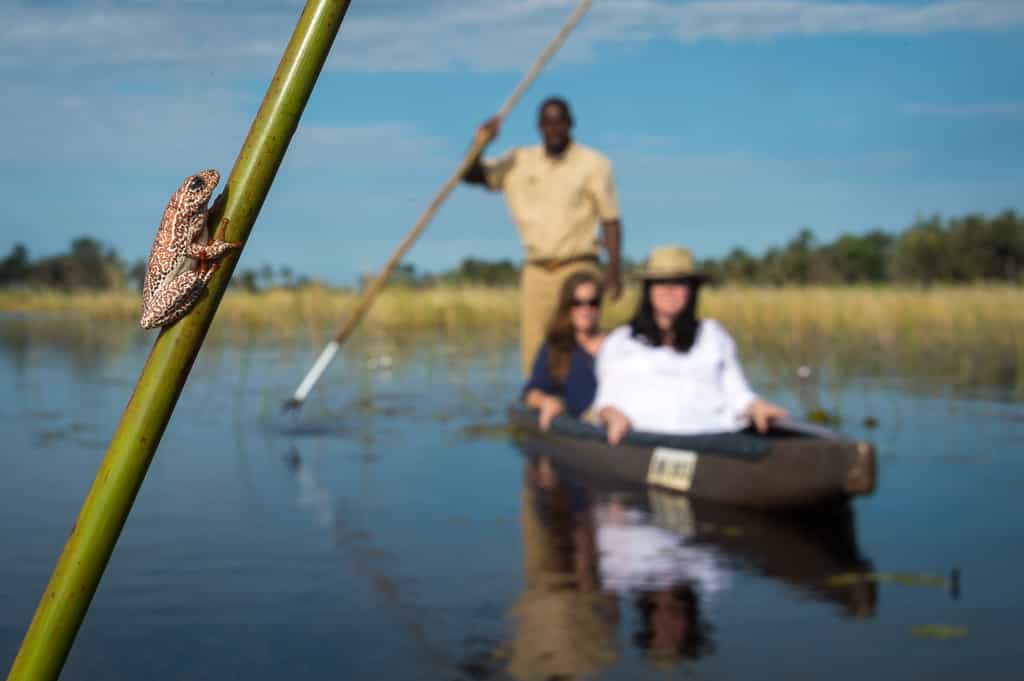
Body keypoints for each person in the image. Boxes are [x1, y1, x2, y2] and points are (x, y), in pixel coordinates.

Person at [463, 96, 624, 376]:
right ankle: (538, 403)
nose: (554, 129)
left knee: (579, 340)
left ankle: (584, 402)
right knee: (536, 347)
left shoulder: (594, 163)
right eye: (547, 123)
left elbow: (610, 219)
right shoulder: (518, 160)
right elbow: (471, 175)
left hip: (578, 266)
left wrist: (613, 270)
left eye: (560, 122)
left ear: (570, 124)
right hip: (537, 270)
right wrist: (481, 143)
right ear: (539, 126)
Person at [593, 245, 788, 445]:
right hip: (645, 443)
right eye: (661, 282)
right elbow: (605, 402)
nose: (669, 290)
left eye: (678, 283)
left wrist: (755, 406)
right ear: (648, 290)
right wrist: (612, 415)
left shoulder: (713, 334)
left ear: (692, 290)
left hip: (712, 443)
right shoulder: (621, 341)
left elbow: (738, 394)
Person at [522, 271, 604, 430]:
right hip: (580, 430)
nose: (585, 310)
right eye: (577, 303)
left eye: (592, 302)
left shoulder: (616, 345)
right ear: (566, 306)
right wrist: (546, 402)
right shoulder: (555, 348)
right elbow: (532, 393)